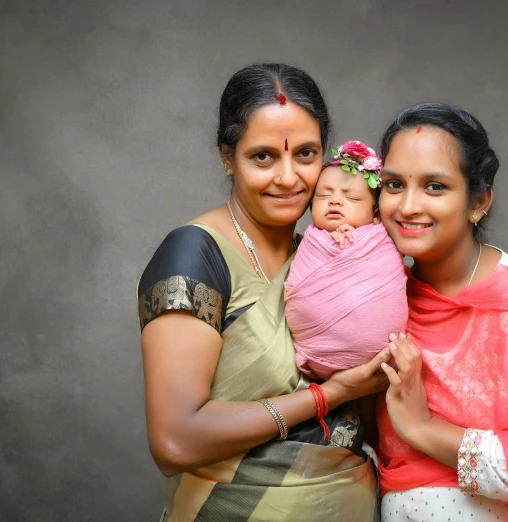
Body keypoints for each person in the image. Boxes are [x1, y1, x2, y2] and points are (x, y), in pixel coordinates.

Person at [136, 63, 391, 522]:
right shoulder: (194, 255)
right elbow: (175, 442)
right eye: (263, 157)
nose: (289, 178)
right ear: (226, 157)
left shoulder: (326, 256)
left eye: (306, 154)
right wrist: (327, 396)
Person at [374, 103, 508, 521]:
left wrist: (423, 428)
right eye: (393, 184)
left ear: (479, 202)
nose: (407, 206)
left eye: (435, 187)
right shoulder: (382, 294)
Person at [284, 141, 408, 381]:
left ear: (375, 212)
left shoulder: (382, 237)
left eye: (351, 197)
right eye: (323, 195)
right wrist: (331, 242)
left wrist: (357, 241)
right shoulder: (311, 241)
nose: (335, 201)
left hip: (383, 358)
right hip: (316, 355)